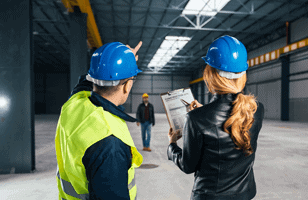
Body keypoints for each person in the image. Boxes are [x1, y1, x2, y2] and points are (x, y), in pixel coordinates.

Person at [167, 35, 265, 200]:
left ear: (210, 74)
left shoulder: (195, 119)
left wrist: (171, 145)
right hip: (244, 195)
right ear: (243, 73)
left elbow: (188, 165)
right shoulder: (256, 109)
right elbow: (228, 118)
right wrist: (204, 112)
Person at [55, 41, 143, 200]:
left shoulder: (74, 103)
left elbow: (84, 83)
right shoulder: (111, 143)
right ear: (127, 86)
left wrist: (120, 63)